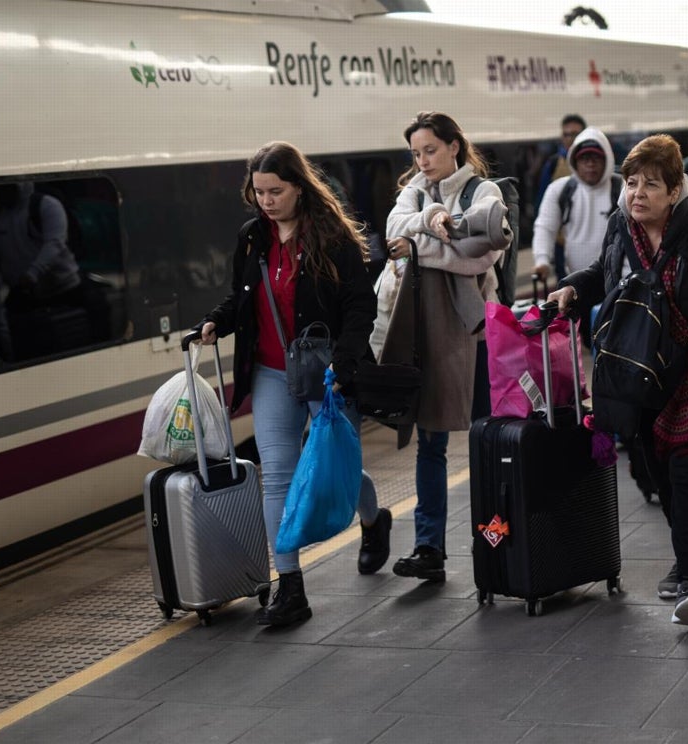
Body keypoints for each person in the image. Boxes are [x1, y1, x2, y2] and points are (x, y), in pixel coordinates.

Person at [548, 134, 688, 626]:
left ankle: (687, 571)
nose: (637, 193)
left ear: (675, 188)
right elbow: (605, 272)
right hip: (638, 371)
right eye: (632, 182)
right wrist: (573, 288)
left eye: (651, 185)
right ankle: (686, 553)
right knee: (654, 469)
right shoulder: (621, 226)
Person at [199, 141, 387, 627]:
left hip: (328, 374)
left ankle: (373, 518)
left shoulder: (332, 238)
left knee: (335, 469)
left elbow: (358, 308)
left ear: (299, 187)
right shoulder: (251, 238)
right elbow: (242, 298)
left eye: (275, 191)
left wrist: (344, 367)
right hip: (269, 372)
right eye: (258, 191)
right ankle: (291, 586)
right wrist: (217, 321)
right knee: (278, 474)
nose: (265, 200)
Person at [383, 111, 511, 584]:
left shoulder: (485, 193)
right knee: (430, 443)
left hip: (474, 333)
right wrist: (434, 222)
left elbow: (483, 253)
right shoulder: (414, 191)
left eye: (430, 150)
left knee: (484, 441)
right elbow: (395, 226)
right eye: (415, 153)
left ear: (454, 145)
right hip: (428, 333)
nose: (422, 161)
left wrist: (417, 248)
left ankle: (495, 540)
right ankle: (429, 547)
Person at [0, 182, 85, 361]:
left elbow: (55, 243)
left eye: (8, 187)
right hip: (23, 294)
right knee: (23, 339)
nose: (3, 192)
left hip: (63, 288)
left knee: (92, 316)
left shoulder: (47, 206)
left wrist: (32, 273)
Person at [532, 127, 619, 287]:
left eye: (596, 158)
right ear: (574, 161)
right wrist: (542, 260)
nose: (590, 164)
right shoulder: (560, 189)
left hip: (617, 283)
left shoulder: (622, 189)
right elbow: (545, 227)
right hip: (575, 284)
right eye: (584, 158)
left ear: (607, 160)